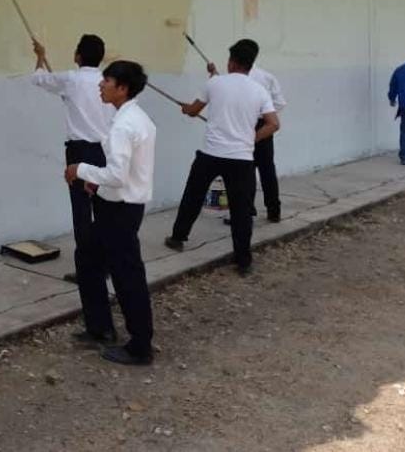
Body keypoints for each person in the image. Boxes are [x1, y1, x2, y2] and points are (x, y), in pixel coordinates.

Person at [64, 61, 156, 366]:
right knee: (88, 260)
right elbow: (124, 173)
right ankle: (100, 328)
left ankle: (140, 346)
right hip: (119, 204)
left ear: (123, 88)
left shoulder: (123, 125)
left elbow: (117, 174)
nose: (100, 85)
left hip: (120, 211)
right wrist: (97, 184)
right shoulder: (137, 118)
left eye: (107, 81)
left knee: (127, 275)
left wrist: (80, 169)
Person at [164, 40, 280, 276]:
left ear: (231, 62)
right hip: (242, 159)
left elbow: (193, 110)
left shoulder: (215, 83)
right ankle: (243, 261)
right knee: (241, 210)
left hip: (211, 155)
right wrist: (253, 138)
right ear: (250, 64)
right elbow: (273, 124)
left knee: (193, 197)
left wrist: (186, 109)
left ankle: (178, 238)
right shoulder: (259, 90)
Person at [31, 35, 114, 287]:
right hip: (105, 152)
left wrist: (40, 56)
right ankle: (104, 266)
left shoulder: (71, 79)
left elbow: (38, 78)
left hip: (80, 153)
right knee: (103, 210)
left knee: (81, 212)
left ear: (78, 55)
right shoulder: (108, 83)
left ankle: (87, 271)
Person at [207, 39, 287, 223]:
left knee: (245, 171)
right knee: (267, 170)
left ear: (234, 59)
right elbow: (280, 103)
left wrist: (214, 76)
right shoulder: (267, 77)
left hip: (244, 125)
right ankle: (274, 211)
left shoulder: (236, 78)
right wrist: (264, 113)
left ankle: (247, 211)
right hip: (265, 125)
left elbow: (225, 90)